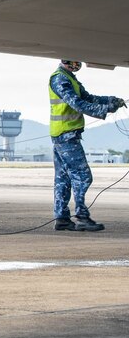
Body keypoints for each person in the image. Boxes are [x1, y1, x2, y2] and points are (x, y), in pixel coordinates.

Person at [48, 59, 124, 232]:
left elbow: (88, 98)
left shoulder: (69, 78)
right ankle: (82, 216)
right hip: (65, 135)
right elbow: (77, 103)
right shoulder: (60, 79)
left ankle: (62, 219)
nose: (77, 64)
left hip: (64, 134)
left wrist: (111, 101)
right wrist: (104, 110)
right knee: (83, 176)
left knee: (63, 179)